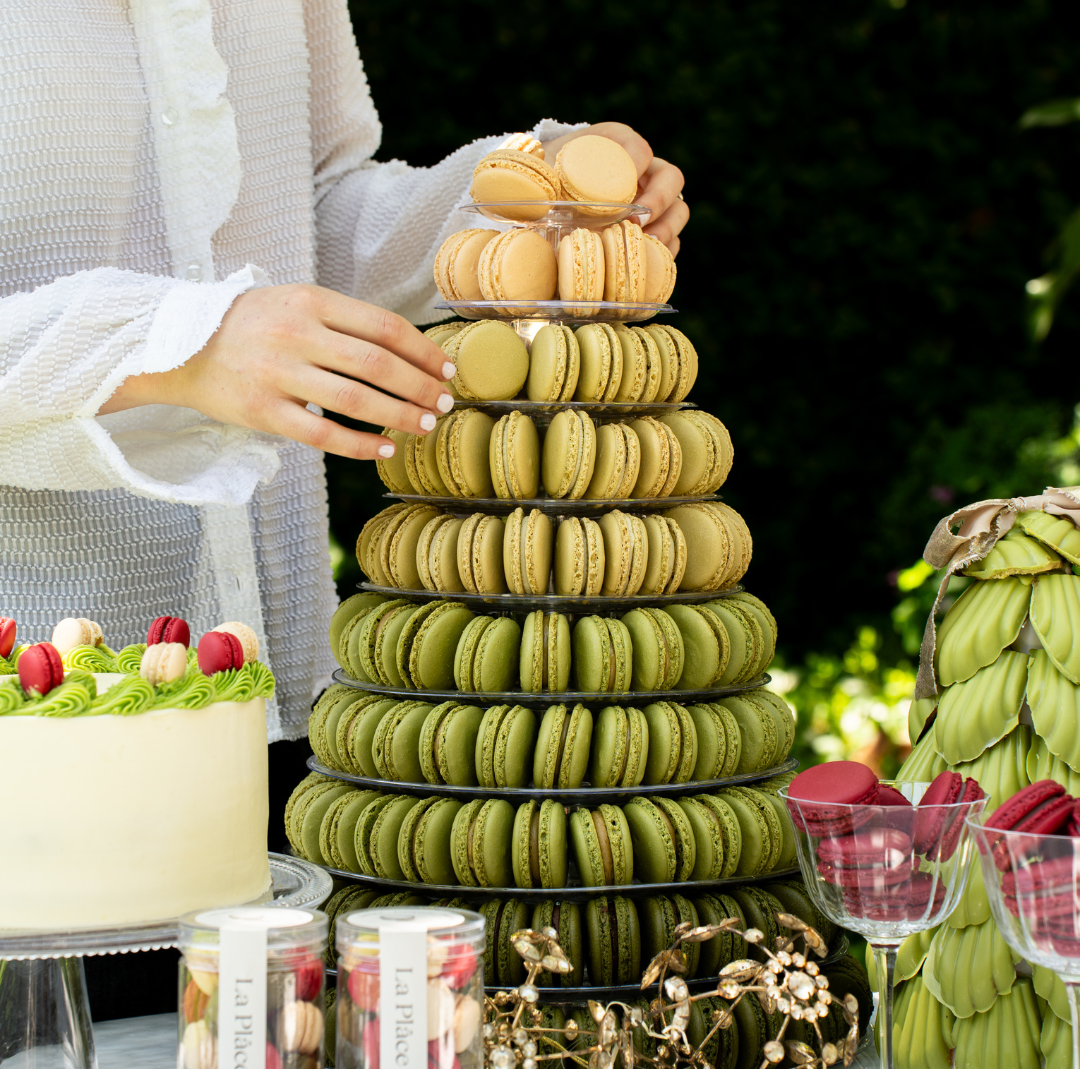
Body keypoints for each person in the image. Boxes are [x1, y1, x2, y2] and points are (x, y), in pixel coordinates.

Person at [1, 0, 687, 747]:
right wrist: (176, 342)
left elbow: (311, 213)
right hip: (37, 715)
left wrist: (534, 203)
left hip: (287, 687)